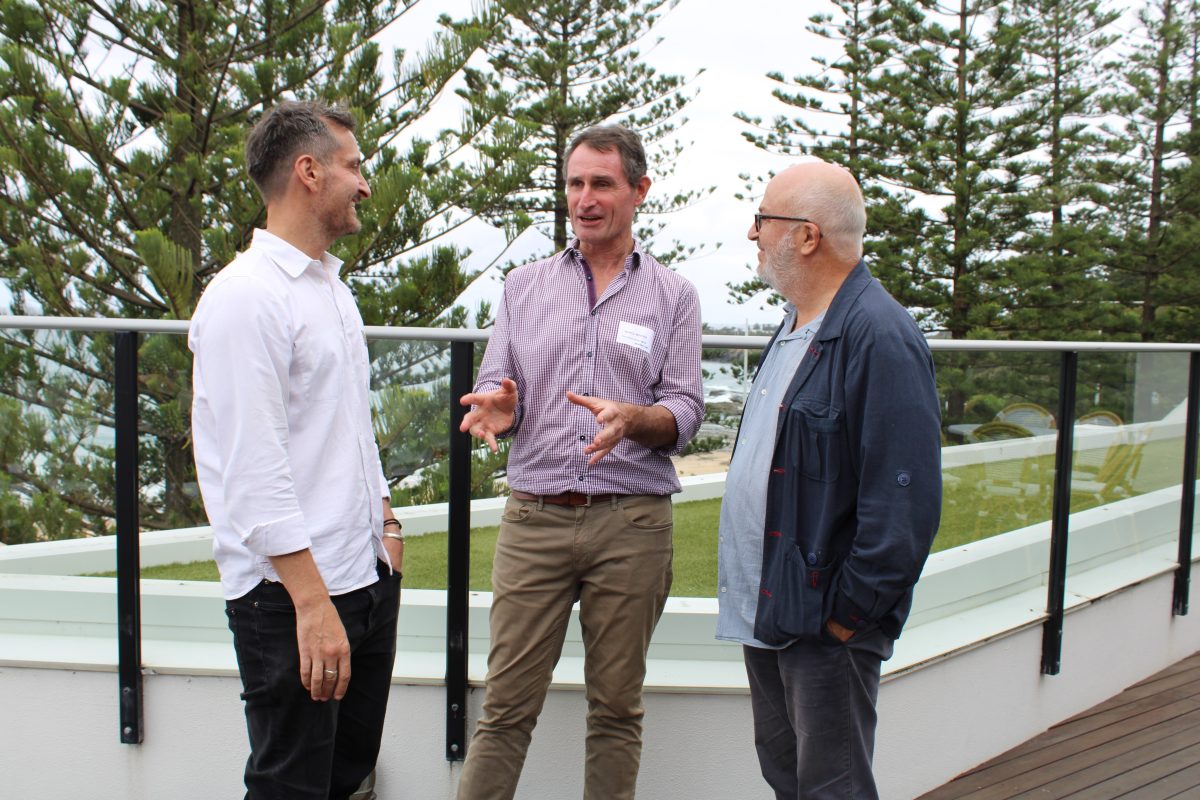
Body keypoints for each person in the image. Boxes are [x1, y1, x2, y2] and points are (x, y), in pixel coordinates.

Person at [454, 124, 704, 800]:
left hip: (633, 525)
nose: (585, 199)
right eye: (575, 183)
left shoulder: (673, 296)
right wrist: (504, 407)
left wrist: (637, 421)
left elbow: (685, 411)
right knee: (504, 712)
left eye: (602, 183)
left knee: (616, 711)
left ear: (638, 191)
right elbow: (498, 383)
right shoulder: (523, 286)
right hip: (533, 521)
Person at [189, 100, 404, 800]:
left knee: (345, 778)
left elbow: (345, 430)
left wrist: (386, 527)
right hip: (291, 599)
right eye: (353, 166)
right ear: (308, 172)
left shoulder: (331, 292)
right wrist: (313, 606)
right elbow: (254, 471)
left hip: (361, 578)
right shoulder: (246, 299)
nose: (365, 184)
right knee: (291, 787)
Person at [717, 161, 942, 799]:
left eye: (763, 220)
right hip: (774, 607)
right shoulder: (796, 325)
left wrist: (847, 616)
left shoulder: (879, 335)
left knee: (831, 787)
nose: (754, 233)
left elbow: (905, 501)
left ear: (807, 236)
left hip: (824, 621)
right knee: (787, 774)